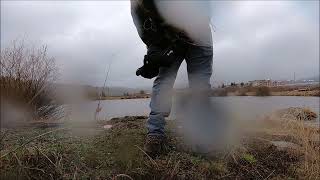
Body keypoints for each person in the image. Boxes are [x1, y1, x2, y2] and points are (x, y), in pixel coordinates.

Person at [131, 0, 213, 156]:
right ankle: (157, 135)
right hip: (172, 36)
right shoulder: (138, 5)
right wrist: (154, 52)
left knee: (174, 82)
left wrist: (174, 45)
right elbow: (143, 24)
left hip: (197, 31)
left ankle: (158, 135)